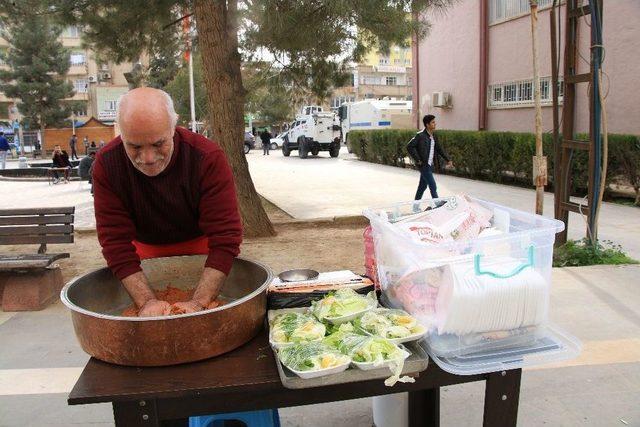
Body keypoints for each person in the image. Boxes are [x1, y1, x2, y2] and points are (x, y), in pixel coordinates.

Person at [92, 87, 242, 317]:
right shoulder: (107, 164)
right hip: (142, 253)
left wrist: (199, 303)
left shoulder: (207, 157)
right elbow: (115, 242)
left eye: (158, 143)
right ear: (120, 132)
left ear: (174, 126)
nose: (148, 159)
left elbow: (225, 237)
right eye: (134, 146)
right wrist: (146, 302)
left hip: (202, 249)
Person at [407, 114, 453, 201]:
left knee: (422, 186)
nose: (435, 124)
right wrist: (418, 160)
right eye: (433, 122)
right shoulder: (420, 135)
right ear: (427, 125)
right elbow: (409, 146)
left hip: (430, 165)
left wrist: (448, 160)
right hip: (423, 165)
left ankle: (415, 207)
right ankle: (437, 204)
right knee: (433, 185)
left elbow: (439, 149)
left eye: (435, 122)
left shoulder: (433, 136)